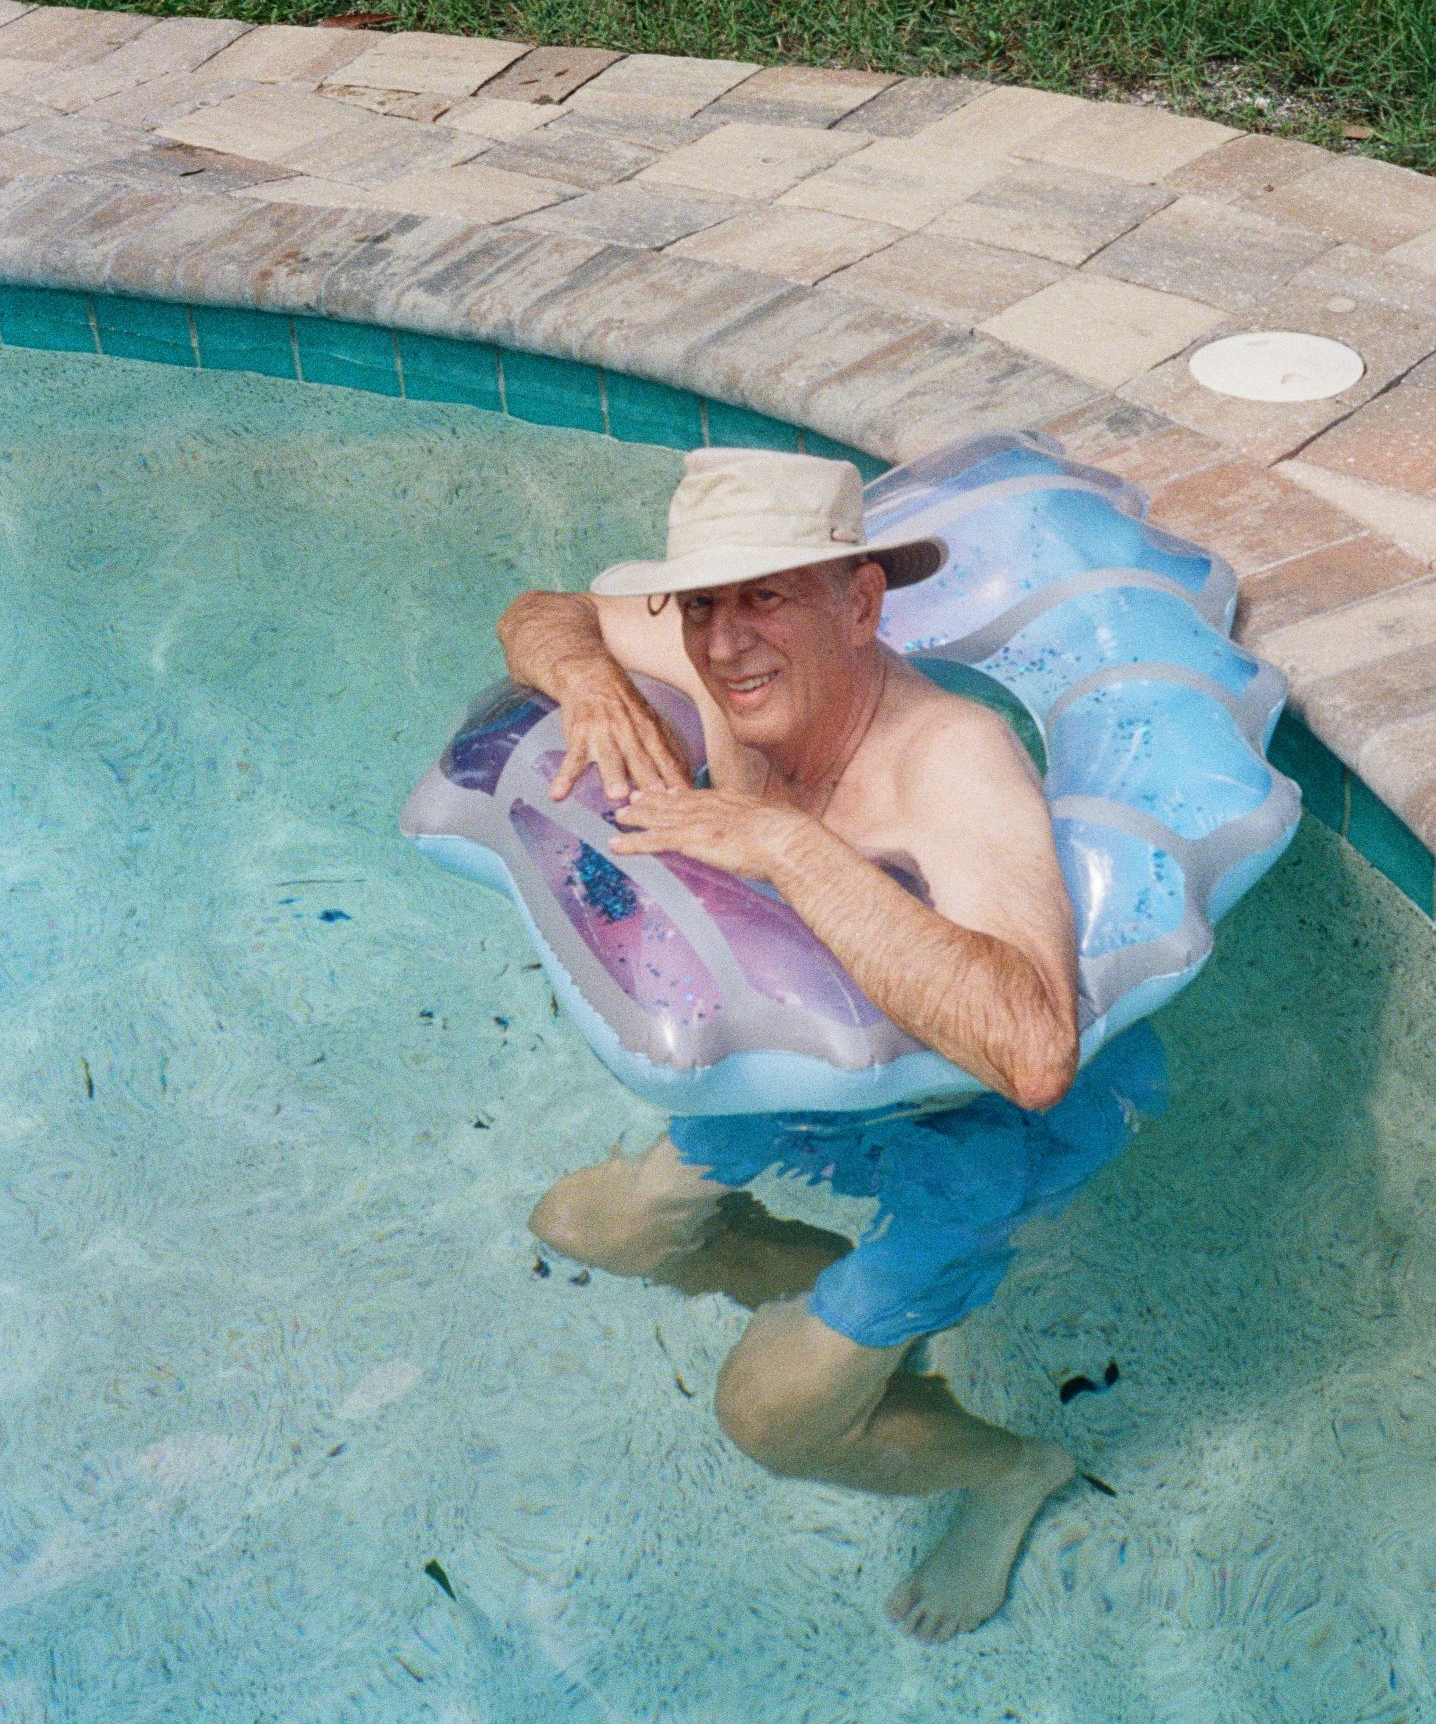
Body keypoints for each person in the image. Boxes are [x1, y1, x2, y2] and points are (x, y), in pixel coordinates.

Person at [498, 448, 1163, 1641]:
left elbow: (1032, 1048)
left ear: (859, 604)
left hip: (966, 1120)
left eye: (765, 596)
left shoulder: (948, 759)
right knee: (588, 1224)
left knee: (765, 1413)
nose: (723, 643)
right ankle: (855, 1336)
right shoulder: (730, 665)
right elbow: (541, 610)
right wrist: (588, 680)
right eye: (702, 603)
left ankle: (1010, 1470)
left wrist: (789, 848)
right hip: (802, 1062)